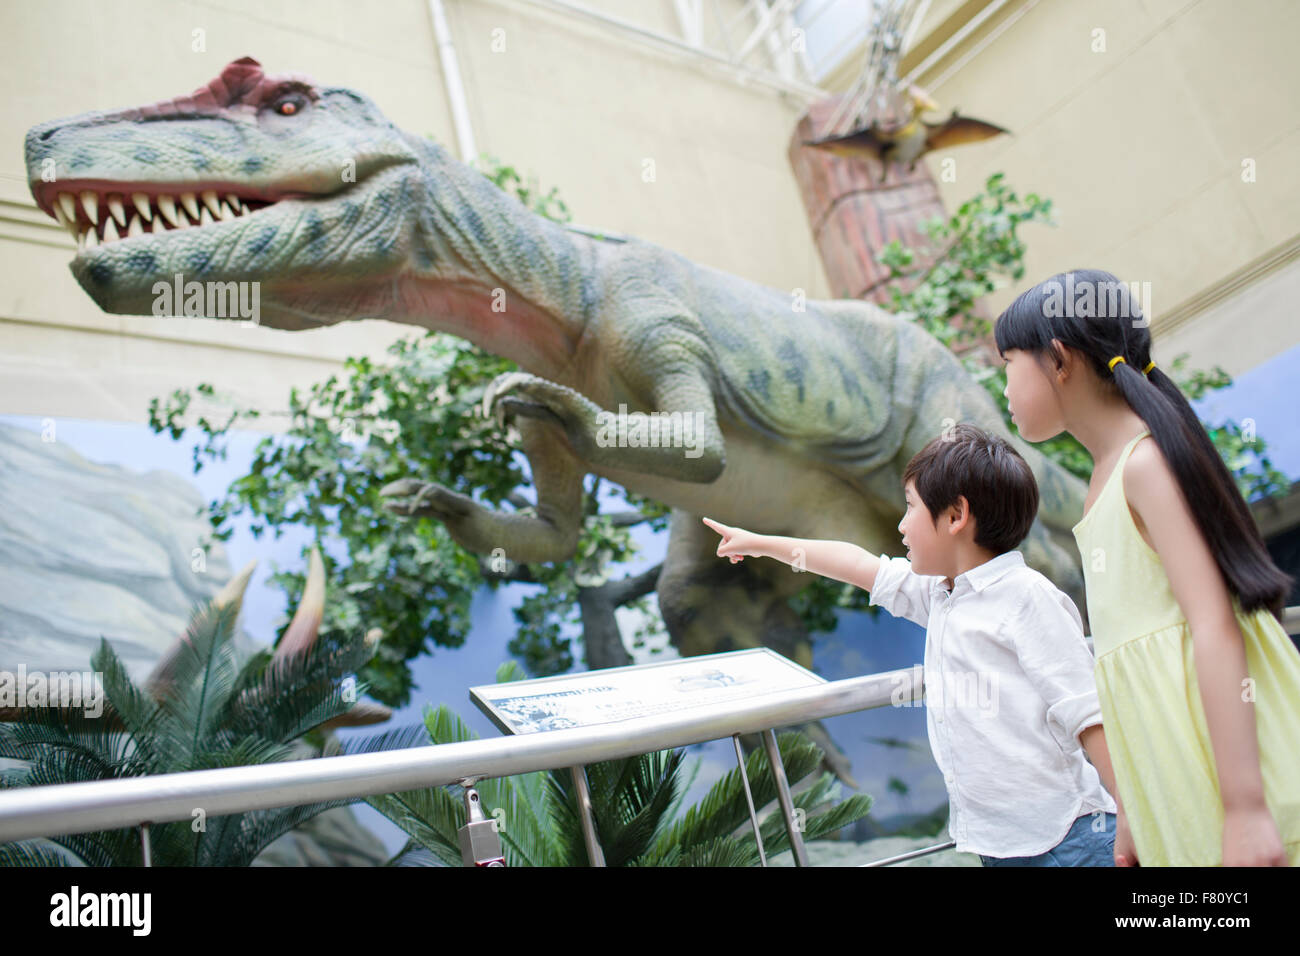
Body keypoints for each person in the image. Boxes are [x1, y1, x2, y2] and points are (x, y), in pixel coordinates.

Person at [703, 422, 1121, 866]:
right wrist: (762, 544)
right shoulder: (940, 593)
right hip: (1000, 845)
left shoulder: (1025, 597)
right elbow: (857, 563)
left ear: (956, 516)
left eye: (911, 508)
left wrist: (1130, 816)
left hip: (1066, 838)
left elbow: (1087, 714)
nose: (902, 525)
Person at [996, 267, 1300, 866]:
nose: (1003, 387)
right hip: (1178, 781)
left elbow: (1213, 626)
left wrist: (1245, 807)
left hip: (1235, 773)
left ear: (1058, 360)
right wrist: (1134, 810)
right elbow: (1123, 666)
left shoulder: (1144, 466)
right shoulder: (1104, 484)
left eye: (1008, 364)